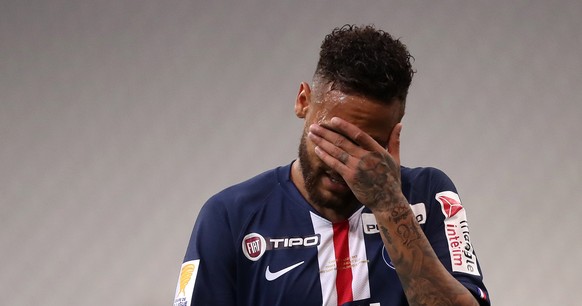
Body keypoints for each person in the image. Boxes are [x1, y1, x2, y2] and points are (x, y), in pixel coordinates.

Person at [173, 24, 490, 306]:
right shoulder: (231, 217)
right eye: (334, 137)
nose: (345, 163)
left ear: (396, 131)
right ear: (303, 102)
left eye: (368, 145)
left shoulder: (427, 196)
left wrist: (389, 205)